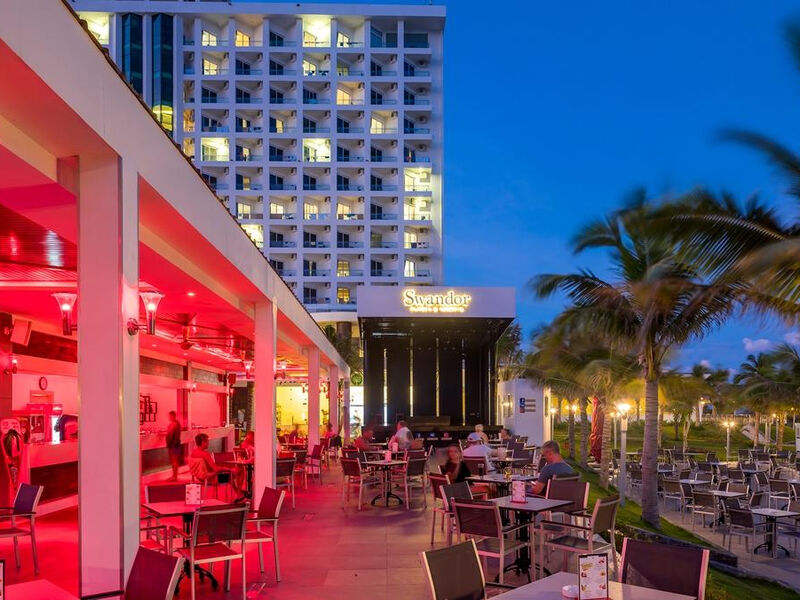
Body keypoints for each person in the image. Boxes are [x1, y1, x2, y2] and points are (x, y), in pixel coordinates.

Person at [165, 411, 183, 481]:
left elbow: (170, 435)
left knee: (174, 460)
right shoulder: (177, 423)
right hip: (177, 444)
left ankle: (174, 476)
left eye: (170, 416)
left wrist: (168, 443)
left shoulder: (173, 424)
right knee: (175, 460)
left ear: (173, 416)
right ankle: (174, 476)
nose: (169, 417)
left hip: (173, 445)